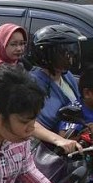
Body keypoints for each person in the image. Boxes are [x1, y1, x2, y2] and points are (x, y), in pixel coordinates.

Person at [28, 25, 84, 154]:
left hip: (76, 140)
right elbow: (28, 122)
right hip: (49, 151)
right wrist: (58, 140)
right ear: (46, 55)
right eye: (64, 52)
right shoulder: (33, 83)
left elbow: (79, 107)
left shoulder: (67, 76)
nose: (70, 56)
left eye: (72, 50)